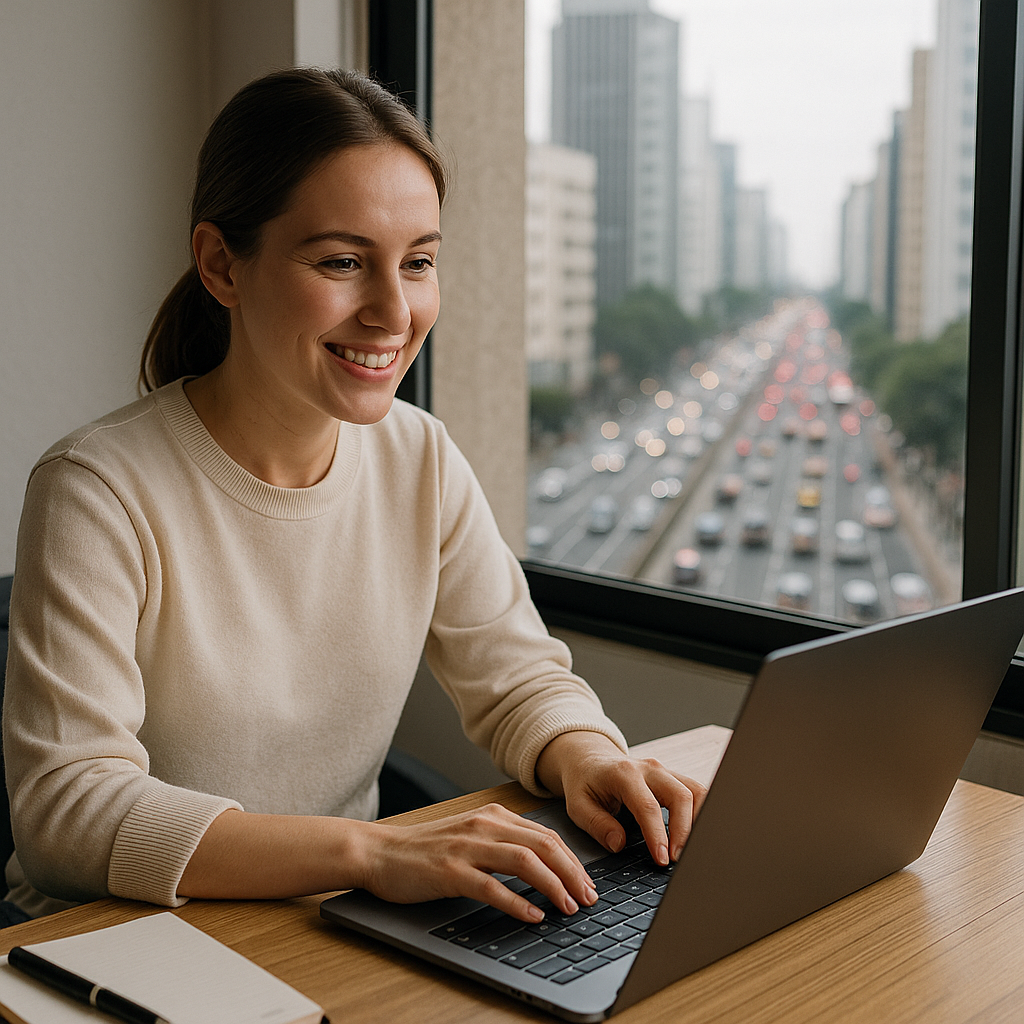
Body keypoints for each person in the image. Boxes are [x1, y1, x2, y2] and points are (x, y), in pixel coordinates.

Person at [3, 68, 705, 923]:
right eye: (341, 261)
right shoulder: (97, 490)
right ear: (222, 265)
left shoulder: (420, 456)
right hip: (119, 940)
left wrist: (588, 754)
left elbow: (517, 679)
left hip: (326, 923)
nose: (392, 311)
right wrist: (371, 853)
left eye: (417, 263)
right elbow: (64, 815)